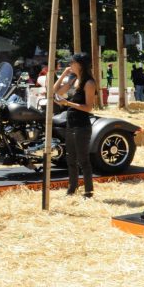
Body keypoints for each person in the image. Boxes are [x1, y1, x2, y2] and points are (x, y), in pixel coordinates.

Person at [54, 53, 97, 198]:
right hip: (71, 123)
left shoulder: (89, 83)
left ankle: (88, 191)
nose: (69, 65)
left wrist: (68, 103)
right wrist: (63, 75)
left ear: (79, 64)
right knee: (70, 158)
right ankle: (72, 188)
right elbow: (55, 92)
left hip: (82, 125)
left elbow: (88, 107)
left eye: (71, 63)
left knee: (83, 159)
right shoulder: (73, 80)